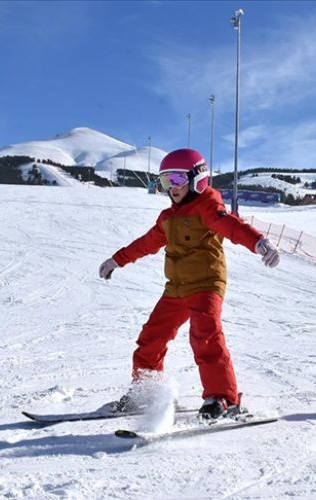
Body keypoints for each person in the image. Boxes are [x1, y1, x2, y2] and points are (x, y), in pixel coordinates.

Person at [98, 148, 280, 419]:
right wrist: (117, 260)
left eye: (177, 180)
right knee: (151, 338)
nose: (172, 188)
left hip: (206, 283)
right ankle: (146, 393)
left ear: (198, 179)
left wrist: (258, 241)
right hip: (176, 287)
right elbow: (145, 244)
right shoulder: (167, 218)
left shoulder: (207, 207)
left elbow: (232, 226)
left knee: (204, 336)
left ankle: (222, 398)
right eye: (165, 181)